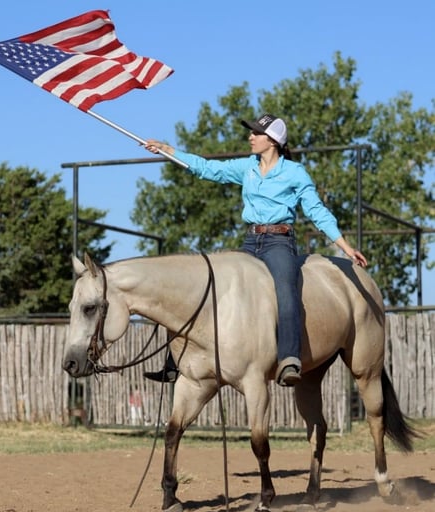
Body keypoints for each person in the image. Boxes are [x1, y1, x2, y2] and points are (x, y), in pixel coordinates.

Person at [142, 114, 367, 387]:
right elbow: (208, 169)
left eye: (256, 133)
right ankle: (175, 362)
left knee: (285, 291)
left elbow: (317, 212)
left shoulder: (294, 173)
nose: (251, 137)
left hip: (279, 243)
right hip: (250, 241)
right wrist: (167, 150)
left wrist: (345, 247)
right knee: (213, 286)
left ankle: (289, 359)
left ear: (272, 141)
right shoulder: (247, 167)